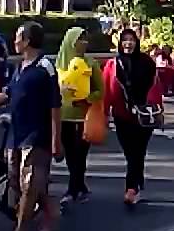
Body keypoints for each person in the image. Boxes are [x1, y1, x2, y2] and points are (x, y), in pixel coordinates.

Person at [0, 22, 63, 231]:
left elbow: (55, 106)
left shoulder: (45, 67)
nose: (15, 42)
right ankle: (50, 208)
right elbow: (8, 93)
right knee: (14, 181)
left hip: (37, 135)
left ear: (28, 41)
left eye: (18, 37)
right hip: (16, 132)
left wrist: (56, 141)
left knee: (28, 184)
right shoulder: (21, 67)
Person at [102, 28, 159, 207]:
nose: (128, 43)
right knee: (131, 154)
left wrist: (155, 108)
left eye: (131, 40)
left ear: (137, 42)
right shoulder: (112, 65)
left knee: (138, 152)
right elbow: (106, 92)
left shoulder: (147, 62)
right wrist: (104, 113)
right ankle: (137, 182)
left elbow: (156, 87)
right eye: (125, 40)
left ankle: (131, 189)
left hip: (144, 116)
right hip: (122, 116)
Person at [55, 26, 103, 209]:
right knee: (70, 154)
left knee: (80, 154)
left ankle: (72, 190)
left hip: (85, 117)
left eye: (85, 39)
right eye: (79, 40)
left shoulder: (91, 64)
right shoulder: (58, 65)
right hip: (64, 116)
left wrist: (87, 99)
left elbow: (101, 90)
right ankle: (80, 185)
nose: (83, 43)